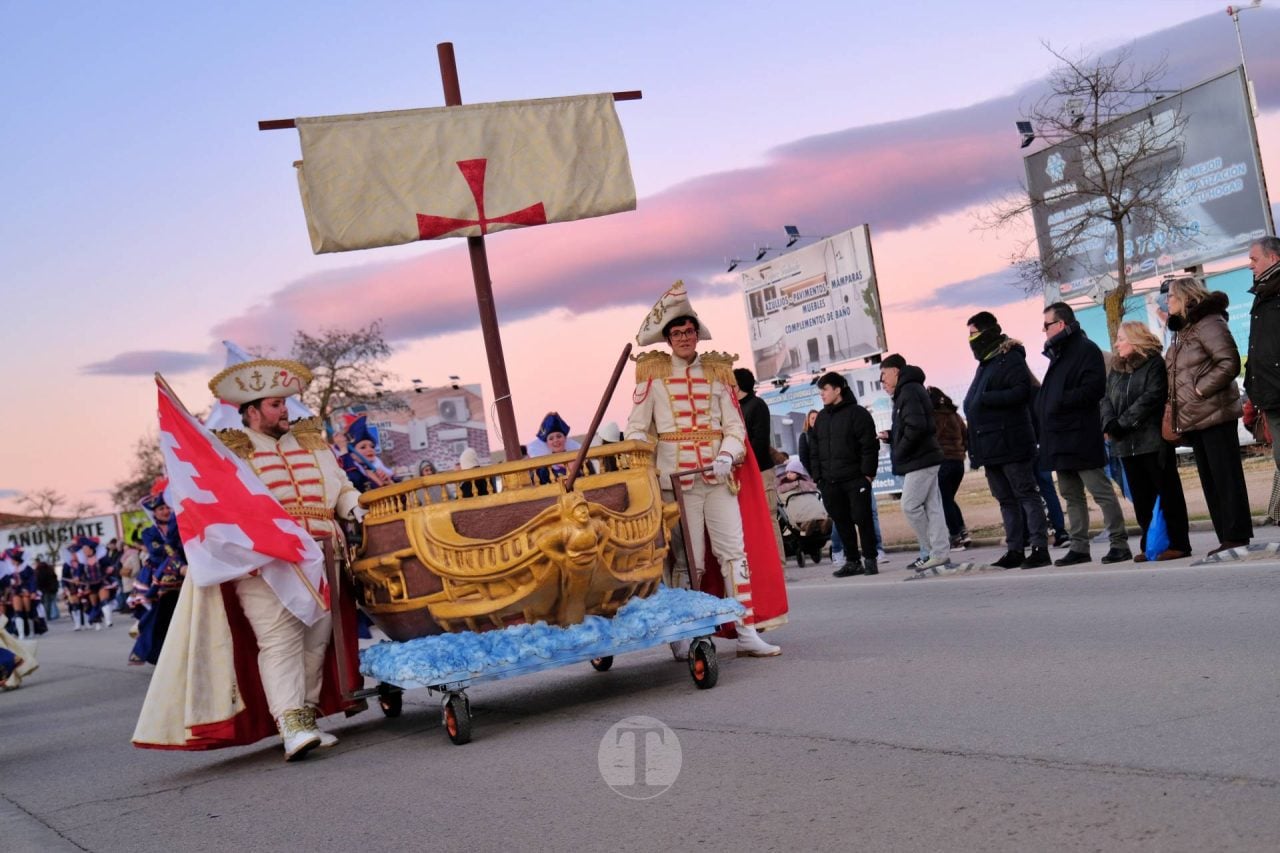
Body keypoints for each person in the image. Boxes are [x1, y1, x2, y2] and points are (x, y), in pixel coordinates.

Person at [133, 358, 363, 760]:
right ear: (252, 411)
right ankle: (290, 724)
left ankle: (306, 717)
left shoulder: (312, 441)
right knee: (279, 640)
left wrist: (359, 507)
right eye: (276, 405)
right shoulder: (229, 452)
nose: (285, 410)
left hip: (326, 556)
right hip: (265, 562)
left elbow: (341, 488)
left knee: (316, 641)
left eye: (285, 402)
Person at [626, 280, 784, 657]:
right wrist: (645, 462)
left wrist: (728, 454)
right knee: (688, 561)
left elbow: (735, 428)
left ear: (697, 334)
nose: (684, 337)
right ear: (668, 339)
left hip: (718, 479)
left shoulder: (717, 371)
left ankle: (746, 630)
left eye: (689, 331)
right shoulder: (652, 373)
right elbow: (636, 429)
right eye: (677, 333)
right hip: (676, 485)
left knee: (734, 554)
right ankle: (686, 632)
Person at [1037, 302, 1131, 566]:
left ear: (1061, 324)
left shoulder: (1085, 350)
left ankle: (1119, 543)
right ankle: (1079, 547)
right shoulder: (1058, 353)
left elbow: (1094, 389)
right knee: (1070, 495)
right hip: (1059, 437)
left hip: (1081, 435)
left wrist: (1058, 400)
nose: (1044, 331)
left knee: (1101, 491)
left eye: (1046, 325)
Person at [1165, 277, 1252, 554]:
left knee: (1226, 477)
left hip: (1215, 412)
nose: (1167, 301)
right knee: (1211, 481)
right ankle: (1226, 536)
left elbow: (1229, 362)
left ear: (1186, 297)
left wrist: (1200, 390)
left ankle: (1236, 535)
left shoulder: (1209, 323)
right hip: (1195, 416)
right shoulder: (1183, 330)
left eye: (1171, 296)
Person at [963, 312, 1051, 570]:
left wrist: (987, 399)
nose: (970, 340)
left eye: (973, 333)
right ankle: (1015, 549)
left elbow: (1021, 392)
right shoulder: (986, 363)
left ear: (988, 332)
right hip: (990, 445)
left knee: (1026, 494)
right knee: (1005, 499)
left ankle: (1039, 547)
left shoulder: (1009, 357)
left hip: (1011, 441)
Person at [1101, 321, 1192, 561]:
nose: (1116, 344)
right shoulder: (1116, 368)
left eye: (1121, 338)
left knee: (1168, 493)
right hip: (1125, 444)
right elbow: (1106, 398)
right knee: (1141, 498)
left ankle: (1178, 543)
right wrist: (1109, 422)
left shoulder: (1154, 364)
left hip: (1152, 441)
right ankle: (1150, 544)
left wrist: (1122, 423)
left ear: (1135, 339)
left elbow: (1152, 397)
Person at [879, 354, 950, 570]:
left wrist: (900, 450)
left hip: (921, 458)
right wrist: (892, 436)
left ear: (895, 371)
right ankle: (939, 552)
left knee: (909, 505)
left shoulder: (908, 390)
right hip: (924, 456)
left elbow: (917, 427)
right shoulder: (909, 390)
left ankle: (933, 550)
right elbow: (912, 424)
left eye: (884, 374)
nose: (882, 380)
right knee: (933, 507)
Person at [808, 372, 880, 577]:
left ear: (838, 390)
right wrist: (818, 477)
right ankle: (852, 561)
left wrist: (867, 475)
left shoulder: (857, 413)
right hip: (830, 482)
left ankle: (870, 559)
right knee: (842, 522)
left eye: (825, 389)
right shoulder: (821, 418)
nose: (822, 394)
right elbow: (814, 449)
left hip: (855, 479)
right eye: (820, 390)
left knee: (863, 519)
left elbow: (869, 445)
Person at [735, 367, 786, 562]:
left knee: (768, 516)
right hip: (745, 471)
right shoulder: (736, 408)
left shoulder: (757, 405)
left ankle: (778, 562)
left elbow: (759, 441)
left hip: (761, 470)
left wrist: (742, 459)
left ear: (738, 385)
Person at [1245, 236, 1280, 479]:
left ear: (1273, 258)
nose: (1250, 265)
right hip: (1270, 393)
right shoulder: (1261, 294)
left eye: (1254, 259)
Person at [929, 387, 971, 551]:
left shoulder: (934, 417)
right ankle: (963, 532)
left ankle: (955, 537)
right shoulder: (955, 415)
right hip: (958, 462)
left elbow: (932, 439)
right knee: (949, 499)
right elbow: (966, 437)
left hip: (943, 462)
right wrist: (961, 452)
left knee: (943, 500)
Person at [529, 412, 580, 484]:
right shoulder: (543, 469)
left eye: (559, 436)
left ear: (565, 438)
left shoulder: (581, 460)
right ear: (547, 443)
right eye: (551, 438)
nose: (555, 440)